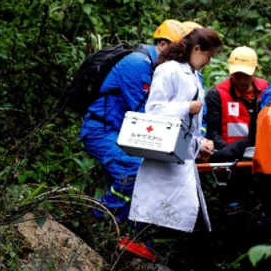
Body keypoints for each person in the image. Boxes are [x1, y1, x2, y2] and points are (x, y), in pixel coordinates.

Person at [79, 19, 190, 222]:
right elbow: (148, 114)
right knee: (136, 169)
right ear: (162, 45)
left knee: (133, 183)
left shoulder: (157, 68)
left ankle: (113, 233)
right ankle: (96, 217)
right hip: (102, 132)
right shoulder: (138, 64)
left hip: (122, 134)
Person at [127, 27, 222, 263]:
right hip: (163, 151)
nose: (209, 62)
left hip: (181, 154)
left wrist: (199, 144)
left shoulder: (191, 74)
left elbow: (190, 125)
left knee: (181, 209)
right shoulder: (168, 70)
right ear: (197, 49)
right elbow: (155, 109)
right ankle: (138, 245)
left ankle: (152, 251)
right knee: (160, 204)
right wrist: (186, 107)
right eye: (208, 56)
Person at [204, 46, 269, 161]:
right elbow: (213, 134)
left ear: (255, 70)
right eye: (237, 75)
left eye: (246, 75)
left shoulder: (267, 90)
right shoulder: (216, 95)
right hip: (229, 160)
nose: (242, 80)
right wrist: (231, 152)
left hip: (262, 156)